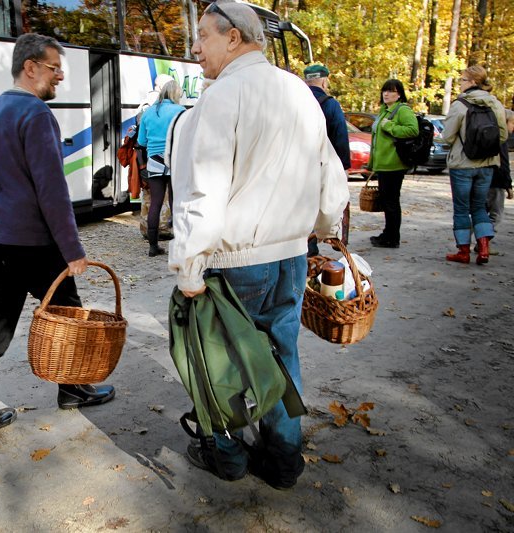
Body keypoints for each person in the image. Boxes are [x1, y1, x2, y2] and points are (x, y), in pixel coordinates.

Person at [167, 1, 348, 489]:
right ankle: (284, 459)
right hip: (290, 254)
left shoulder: (220, 98)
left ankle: (227, 455)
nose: (195, 46)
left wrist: (189, 269)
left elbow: (202, 191)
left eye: (203, 35)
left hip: (234, 263)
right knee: (281, 353)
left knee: (222, 362)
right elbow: (330, 174)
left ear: (233, 38)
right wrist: (323, 228)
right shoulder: (298, 91)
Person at [0, 33, 116, 440]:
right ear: (29, 67)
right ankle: (73, 390)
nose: (61, 76)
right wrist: (73, 250)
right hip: (33, 241)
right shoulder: (35, 115)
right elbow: (51, 190)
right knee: (68, 313)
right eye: (54, 68)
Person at [441, 66, 508, 265]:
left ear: (471, 82)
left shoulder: (460, 104)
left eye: (462, 80)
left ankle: (463, 251)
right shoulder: (495, 103)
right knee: (479, 207)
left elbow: (447, 136)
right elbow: (502, 135)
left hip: (462, 165)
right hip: (487, 164)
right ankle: (484, 249)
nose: (460, 83)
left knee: (461, 208)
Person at [303, 63, 351, 256]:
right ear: (324, 81)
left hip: (291, 168)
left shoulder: (293, 99)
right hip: (320, 168)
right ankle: (310, 254)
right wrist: (344, 170)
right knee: (315, 213)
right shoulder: (330, 104)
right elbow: (340, 139)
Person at [367, 79, 419, 249]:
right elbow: (376, 141)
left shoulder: (402, 110)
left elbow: (413, 130)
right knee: (386, 201)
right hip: (383, 165)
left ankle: (392, 237)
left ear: (399, 94)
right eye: (384, 90)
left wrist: (390, 126)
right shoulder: (384, 111)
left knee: (391, 202)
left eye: (391, 91)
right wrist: (371, 164)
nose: (386, 94)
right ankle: (387, 233)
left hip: (394, 165)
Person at [136, 80, 185, 257]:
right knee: (175, 202)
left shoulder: (148, 113)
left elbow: (141, 142)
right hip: (175, 159)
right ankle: (179, 245)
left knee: (155, 202)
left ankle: (153, 246)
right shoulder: (180, 111)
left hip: (154, 161)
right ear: (175, 94)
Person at [485, 109, 514, 237]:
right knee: (496, 214)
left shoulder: (489, 134)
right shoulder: (502, 139)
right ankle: (483, 242)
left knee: (480, 212)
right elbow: (504, 164)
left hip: (484, 179)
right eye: (513, 123)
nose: (513, 127)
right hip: (496, 182)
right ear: (506, 122)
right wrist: (508, 185)